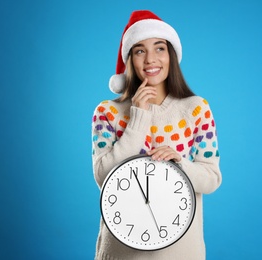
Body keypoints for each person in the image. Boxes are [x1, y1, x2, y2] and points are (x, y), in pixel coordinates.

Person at [92, 10, 222, 260]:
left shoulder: (196, 109)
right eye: (140, 50)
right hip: (121, 252)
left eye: (159, 48)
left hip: (182, 252)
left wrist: (179, 163)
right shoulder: (106, 112)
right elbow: (102, 177)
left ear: (171, 55)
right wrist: (138, 119)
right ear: (130, 58)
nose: (151, 59)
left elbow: (211, 179)